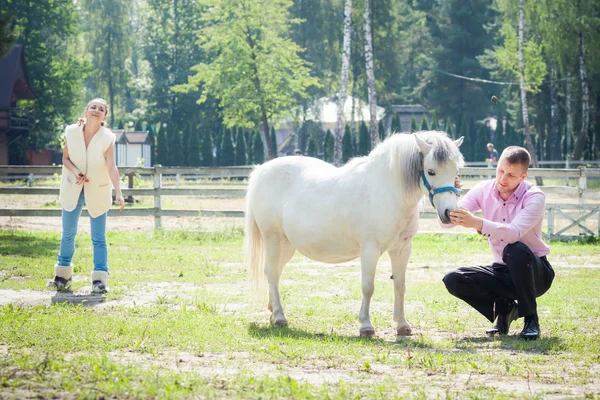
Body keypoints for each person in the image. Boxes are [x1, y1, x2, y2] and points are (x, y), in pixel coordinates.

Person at [442, 146, 554, 340]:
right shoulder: (483, 189)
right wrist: (450, 194)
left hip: (536, 272)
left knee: (515, 249)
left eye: (511, 175)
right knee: (453, 279)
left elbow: (513, 233)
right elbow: (446, 224)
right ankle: (507, 310)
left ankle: (531, 319)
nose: (503, 179)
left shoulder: (535, 197)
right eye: (501, 171)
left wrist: (476, 223)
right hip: (502, 270)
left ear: (523, 177)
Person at [48, 98, 125, 294]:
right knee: (68, 234)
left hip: (98, 189)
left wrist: (119, 192)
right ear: (86, 111)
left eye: (101, 109)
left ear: (104, 116)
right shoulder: (72, 132)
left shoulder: (108, 138)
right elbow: (65, 159)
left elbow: (111, 167)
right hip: (73, 187)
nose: (96, 110)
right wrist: (75, 172)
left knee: (98, 237)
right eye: (93, 107)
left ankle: (100, 279)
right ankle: (62, 275)